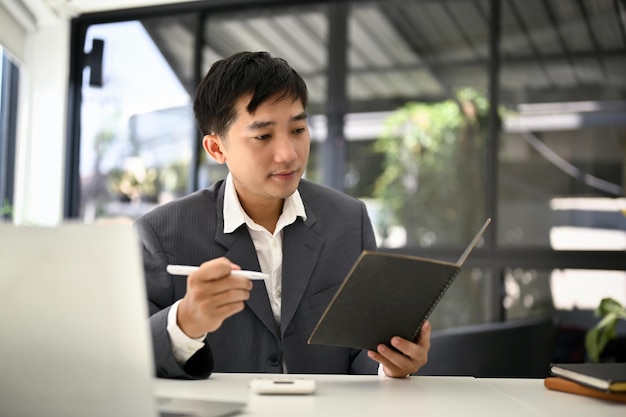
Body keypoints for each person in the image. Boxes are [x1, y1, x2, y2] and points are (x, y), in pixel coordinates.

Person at [134, 51, 431, 380]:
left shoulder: (348, 220)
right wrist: (184, 323)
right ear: (217, 148)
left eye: (298, 129)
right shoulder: (161, 233)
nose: (289, 154)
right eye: (263, 136)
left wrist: (391, 365)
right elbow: (128, 356)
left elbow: (365, 349)